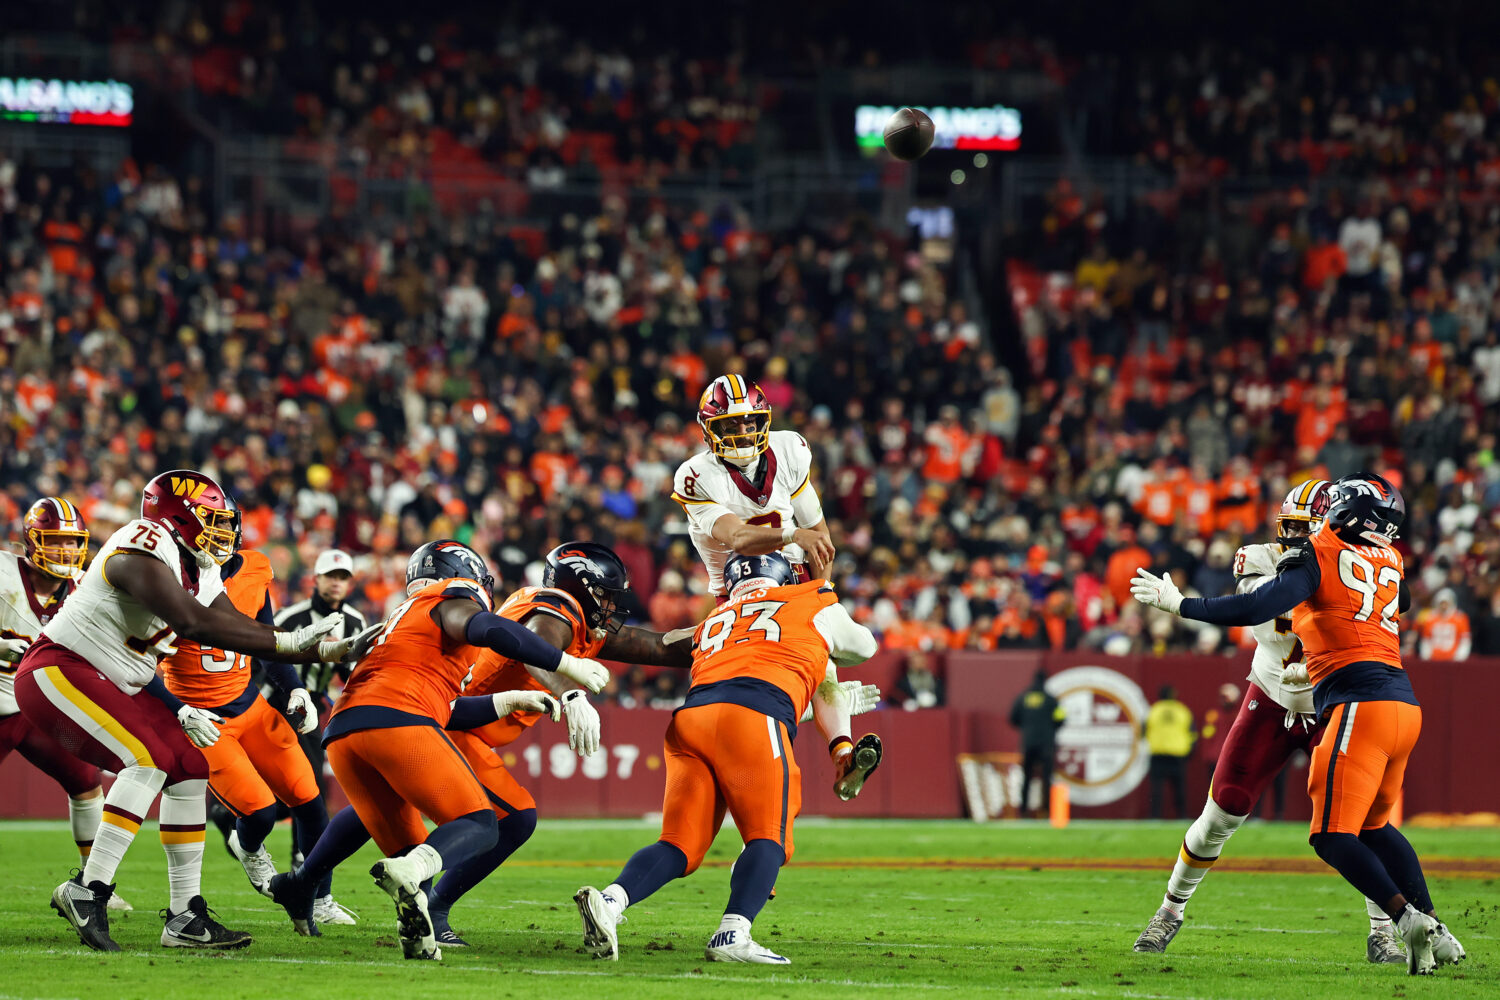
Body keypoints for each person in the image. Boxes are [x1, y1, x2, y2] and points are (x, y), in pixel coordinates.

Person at [14, 470, 365, 952]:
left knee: (190, 767)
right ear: (177, 515)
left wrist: (322, 651)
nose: (221, 529)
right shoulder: (143, 542)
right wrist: (291, 643)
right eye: (211, 518)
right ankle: (88, 890)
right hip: (61, 669)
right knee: (151, 760)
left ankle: (184, 917)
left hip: (118, 683)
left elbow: (235, 625)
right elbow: (194, 622)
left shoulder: (201, 567)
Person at [1131, 472, 1467, 975]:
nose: (1291, 537)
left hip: (1335, 705)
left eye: (1302, 527)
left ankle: (1385, 929)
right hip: (1274, 695)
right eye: (1288, 527)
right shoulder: (1278, 557)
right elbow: (1263, 617)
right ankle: (1169, 910)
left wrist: (1181, 605)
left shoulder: (1334, 552)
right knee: (1222, 811)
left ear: (1331, 523)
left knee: (1355, 826)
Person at [308, 540, 612, 959]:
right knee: (494, 821)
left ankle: (304, 886)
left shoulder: (408, 616)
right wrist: (568, 673)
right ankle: (429, 899)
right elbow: (500, 634)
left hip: (352, 725)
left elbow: (445, 702)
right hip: (407, 721)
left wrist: (507, 702)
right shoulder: (456, 602)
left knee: (389, 819)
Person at [573, 551, 881, 965]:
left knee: (679, 844)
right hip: (754, 717)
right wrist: (825, 617)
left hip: (691, 721)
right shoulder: (812, 601)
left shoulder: (715, 620)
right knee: (769, 836)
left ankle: (610, 901)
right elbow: (865, 646)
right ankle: (733, 932)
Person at [160, 530, 355, 931]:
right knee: (261, 812)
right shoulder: (164, 579)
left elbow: (269, 642)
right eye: (204, 529)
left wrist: (297, 688)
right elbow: (141, 658)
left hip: (251, 706)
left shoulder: (253, 570)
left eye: (220, 528)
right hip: (205, 720)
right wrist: (176, 709)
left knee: (310, 800)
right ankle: (246, 846)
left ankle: (316, 896)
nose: (213, 540)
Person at [0, 499, 129, 910]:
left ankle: (93, 886)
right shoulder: (3, 572)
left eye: (71, 543)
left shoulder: (85, 588)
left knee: (85, 781)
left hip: (37, 706)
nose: (64, 552)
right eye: (54, 542)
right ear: (31, 542)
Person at [671, 375, 836, 600]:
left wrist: (823, 594)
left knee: (857, 635)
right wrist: (794, 535)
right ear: (709, 429)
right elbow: (737, 537)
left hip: (797, 581)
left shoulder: (789, 449)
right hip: (737, 593)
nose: (744, 433)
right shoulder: (695, 476)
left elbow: (818, 536)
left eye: (750, 422)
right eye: (731, 425)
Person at [261, 548, 368, 881]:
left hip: (315, 706)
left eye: (342, 578)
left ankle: (234, 818)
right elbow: (264, 661)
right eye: (331, 576)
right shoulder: (290, 616)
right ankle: (301, 861)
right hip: (280, 703)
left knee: (299, 788)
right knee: (309, 789)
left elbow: (353, 673)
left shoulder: (355, 620)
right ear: (315, 579)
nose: (336, 583)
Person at [1008, 668, 1064, 817]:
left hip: (1028, 742)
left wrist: (1027, 727)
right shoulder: (1051, 700)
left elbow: (1013, 718)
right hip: (1046, 744)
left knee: (1026, 777)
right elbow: (1061, 719)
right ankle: (1047, 810)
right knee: (1047, 777)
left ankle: (1024, 810)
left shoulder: (1023, 698)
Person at [1143, 685, 1194, 820]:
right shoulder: (1182, 710)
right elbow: (1192, 732)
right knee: (1179, 789)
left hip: (1158, 753)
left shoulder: (1154, 710)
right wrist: (1189, 751)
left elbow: (1143, 731)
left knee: (1156, 790)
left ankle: (1155, 816)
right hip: (1177, 754)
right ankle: (1182, 815)